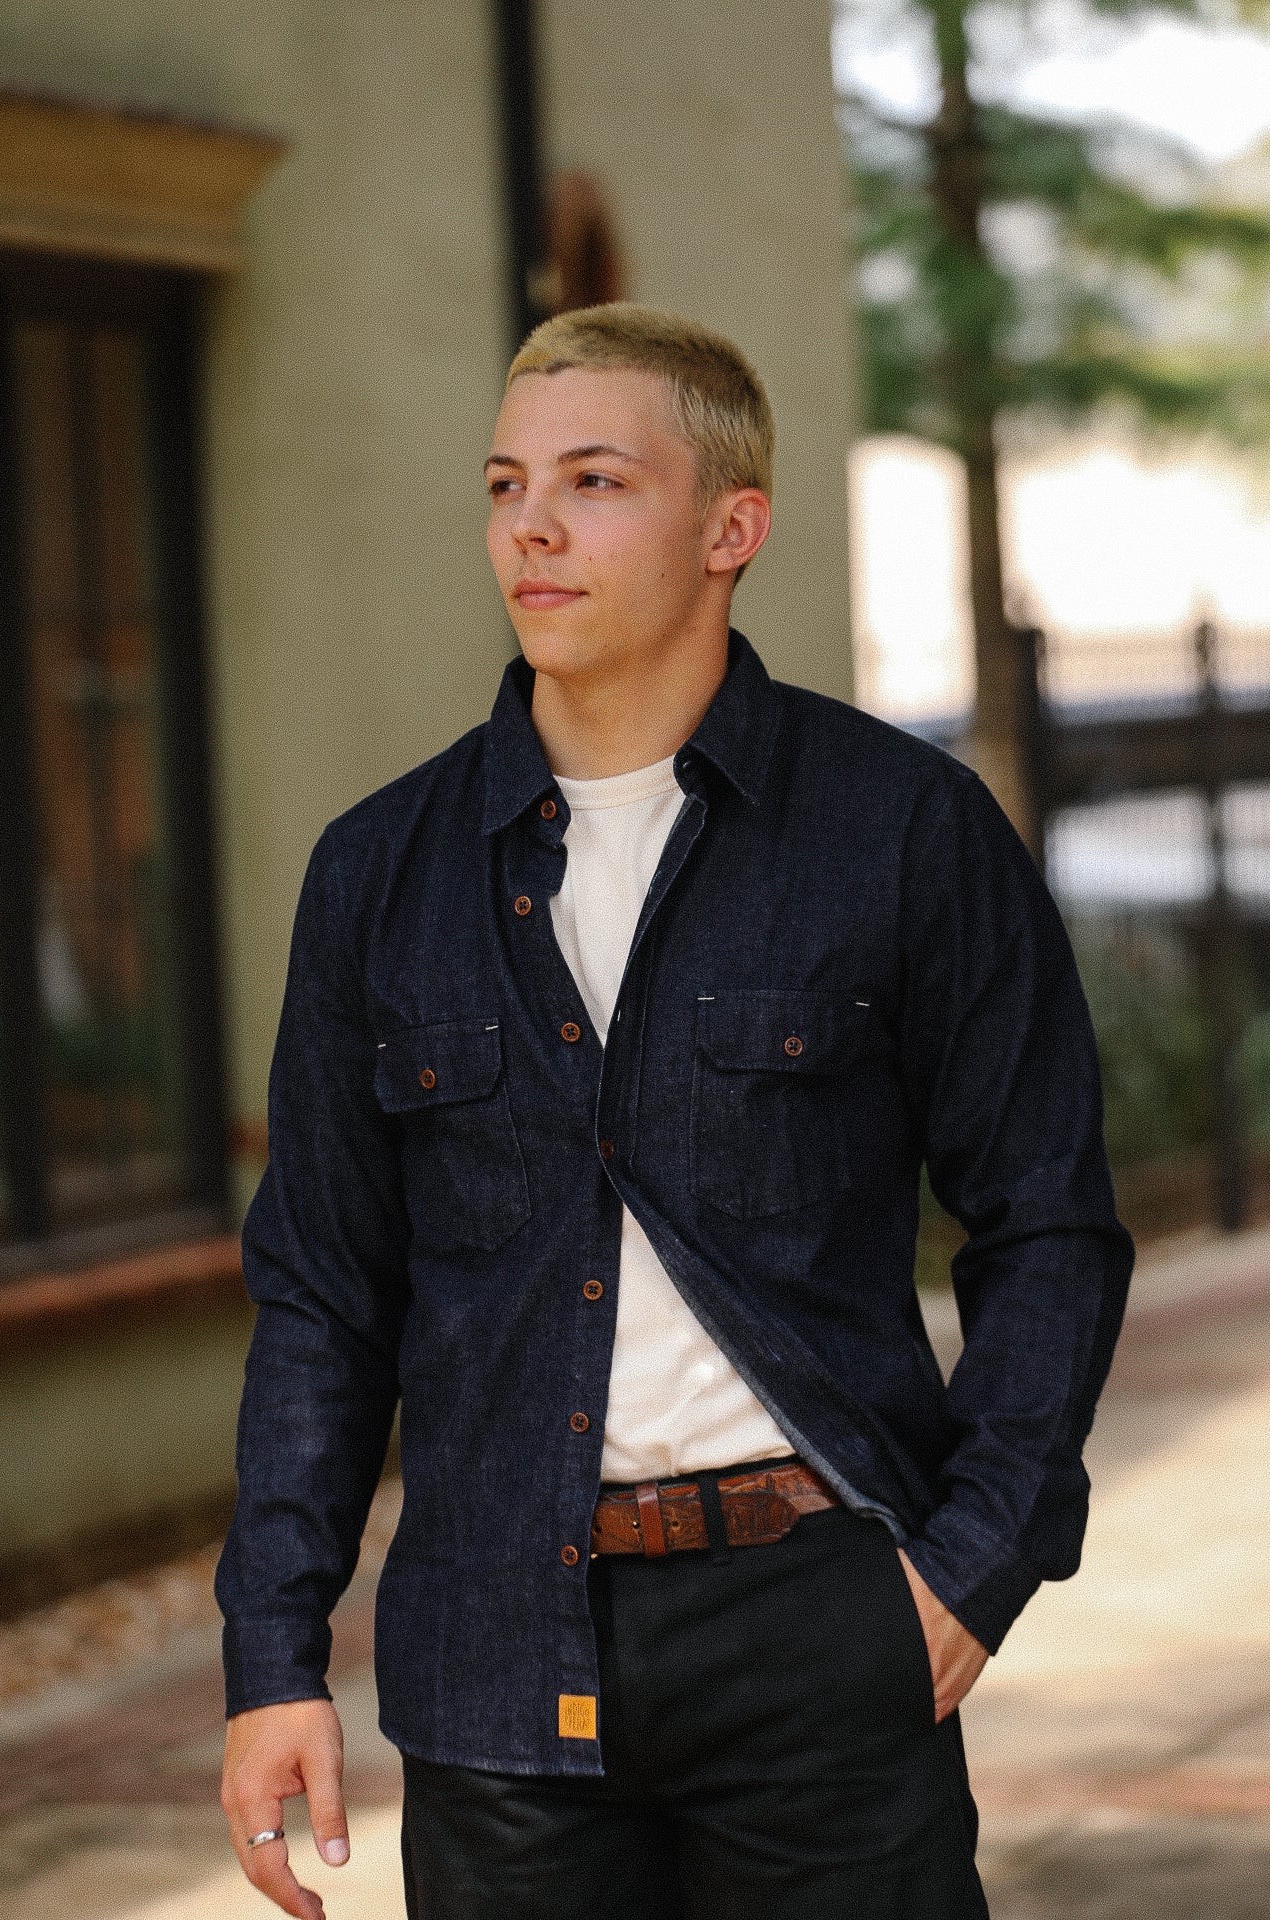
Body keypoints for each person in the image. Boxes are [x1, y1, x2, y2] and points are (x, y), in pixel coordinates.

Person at [217, 303, 1133, 1920]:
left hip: (825, 1634)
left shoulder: (903, 835)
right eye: (505, 485)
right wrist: (272, 1655)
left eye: (593, 481)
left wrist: (977, 1562)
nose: (533, 527)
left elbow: (1048, 1217)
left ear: (732, 528)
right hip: (497, 1654)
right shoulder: (379, 873)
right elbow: (321, 1294)